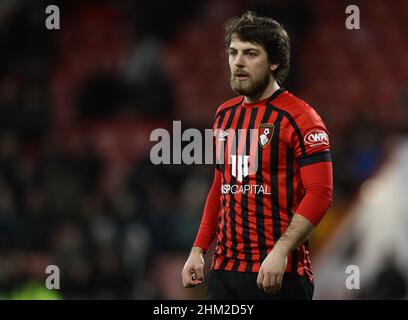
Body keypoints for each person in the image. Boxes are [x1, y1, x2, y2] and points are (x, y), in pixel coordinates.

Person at [181, 11, 333, 300]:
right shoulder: (224, 114)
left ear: (274, 62)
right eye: (233, 53)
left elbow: (320, 193)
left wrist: (281, 251)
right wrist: (199, 248)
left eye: (250, 54)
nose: (238, 62)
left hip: (278, 274)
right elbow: (220, 186)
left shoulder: (301, 118)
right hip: (224, 273)